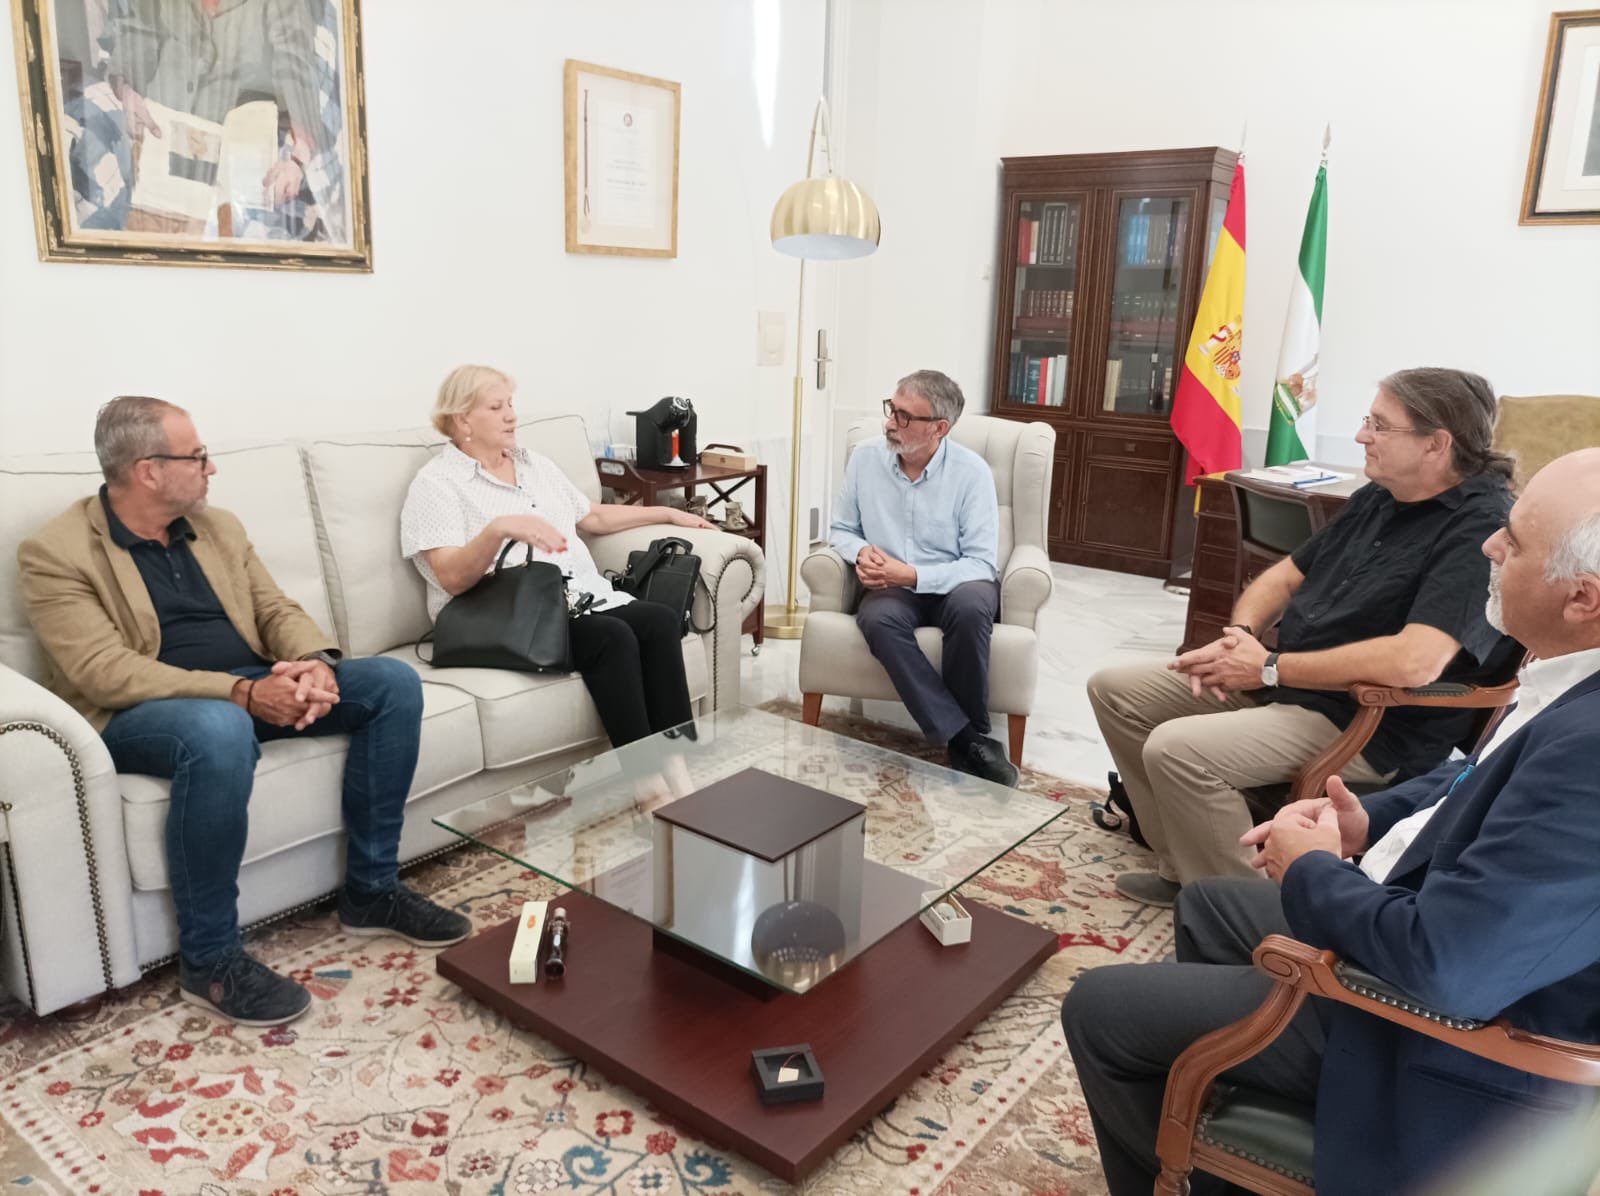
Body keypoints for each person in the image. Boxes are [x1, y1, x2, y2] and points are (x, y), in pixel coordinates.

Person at [1061, 447, 1600, 1196]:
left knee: (1099, 1010)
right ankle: (1224, 1144)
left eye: (1514, 541)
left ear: (1582, 598)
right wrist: (1365, 823)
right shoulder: (1570, 675)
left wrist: (1312, 868)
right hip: (1435, 935)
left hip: (1441, 1048)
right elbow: (1473, 778)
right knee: (1209, 903)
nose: (1491, 546)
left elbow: (1447, 967)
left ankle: (1210, 1135)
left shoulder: (1590, 751)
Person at [17, 396, 467, 1028]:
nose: (211, 468)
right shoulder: (55, 552)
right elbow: (104, 671)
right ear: (148, 471)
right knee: (218, 726)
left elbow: (274, 609)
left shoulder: (217, 527)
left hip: (249, 688)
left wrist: (312, 662)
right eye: (197, 456)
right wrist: (243, 694)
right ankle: (210, 961)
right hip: (141, 714)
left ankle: (373, 892)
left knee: (390, 683)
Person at [1089, 367, 1517, 906]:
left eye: (1380, 425)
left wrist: (1269, 667)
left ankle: (1246, 914)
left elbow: (1416, 661)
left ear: (1436, 444)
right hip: (1287, 680)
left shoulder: (1479, 529)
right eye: (1368, 421)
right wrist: (1241, 636)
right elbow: (1285, 577)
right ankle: (1183, 868)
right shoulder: (1380, 495)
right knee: (1114, 690)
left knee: (1178, 750)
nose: (1361, 435)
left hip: (1367, 718)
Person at [400, 365, 709, 750]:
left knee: (658, 620)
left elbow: (592, 516)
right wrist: (498, 529)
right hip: (502, 619)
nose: (511, 415)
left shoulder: (533, 464)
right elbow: (450, 577)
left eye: (510, 404)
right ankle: (646, 776)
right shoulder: (438, 484)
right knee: (612, 637)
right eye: (496, 407)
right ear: (462, 419)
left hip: (572, 603)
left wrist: (667, 513)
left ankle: (678, 761)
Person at [828, 369, 1013, 785]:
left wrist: (912, 574)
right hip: (891, 585)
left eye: (905, 416)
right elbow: (842, 529)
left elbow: (981, 563)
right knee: (877, 619)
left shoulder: (972, 472)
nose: (890, 422)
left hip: (958, 581)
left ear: (939, 428)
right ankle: (967, 740)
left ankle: (969, 735)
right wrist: (861, 552)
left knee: (971, 609)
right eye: (891, 409)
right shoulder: (865, 458)